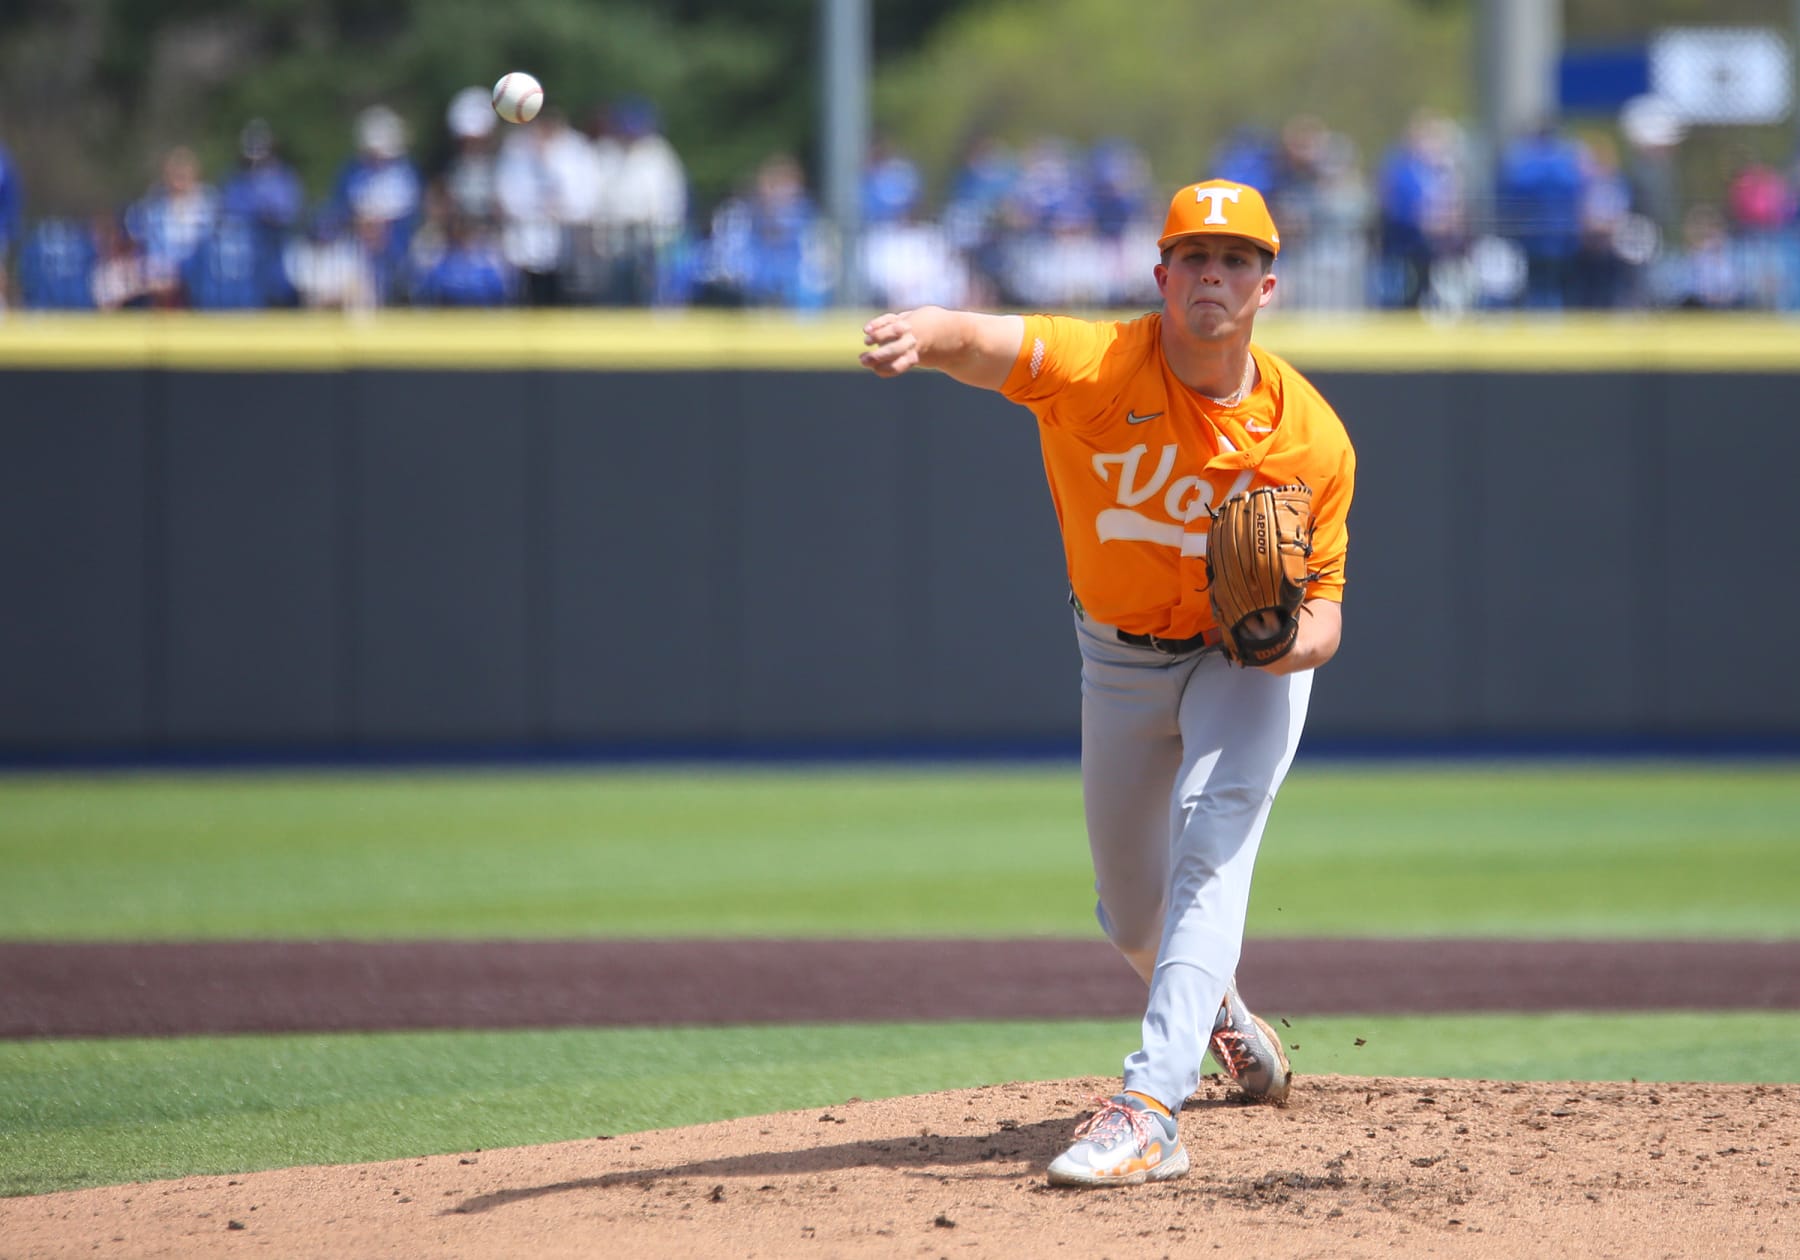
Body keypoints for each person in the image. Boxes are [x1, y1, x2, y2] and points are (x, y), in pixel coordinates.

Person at [858, 179, 1356, 1188]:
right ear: (1162, 275)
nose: (1214, 276)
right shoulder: (1097, 366)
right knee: (1133, 915)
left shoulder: (1308, 436)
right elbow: (982, 341)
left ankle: (1150, 1107)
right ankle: (1218, 1012)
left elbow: (1329, 616)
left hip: (1235, 662)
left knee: (1210, 853)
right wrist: (929, 326)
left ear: (1269, 286)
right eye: (1196, 258)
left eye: (1237, 261)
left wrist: (1281, 642)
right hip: (1119, 657)